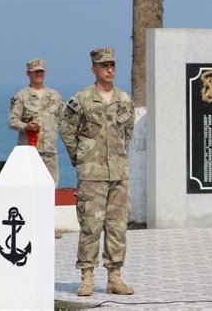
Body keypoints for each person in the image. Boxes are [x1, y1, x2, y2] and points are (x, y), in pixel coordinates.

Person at [60, 47, 135, 296]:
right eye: (104, 66)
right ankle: (87, 277)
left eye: (112, 65)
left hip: (118, 174)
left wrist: (118, 158)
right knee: (91, 226)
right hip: (91, 174)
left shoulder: (124, 99)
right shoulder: (82, 99)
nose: (109, 70)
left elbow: (128, 133)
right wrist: (79, 158)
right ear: (94, 69)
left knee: (117, 226)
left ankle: (114, 277)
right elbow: (67, 129)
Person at [8, 58, 65, 239]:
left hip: (49, 150)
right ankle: (28, 226)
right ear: (28, 74)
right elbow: (12, 121)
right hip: (29, 150)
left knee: (50, 187)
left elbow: (64, 120)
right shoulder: (22, 97)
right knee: (28, 188)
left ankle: (48, 226)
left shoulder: (55, 96)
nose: (39, 74)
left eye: (41, 71)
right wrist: (26, 126)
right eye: (35, 72)